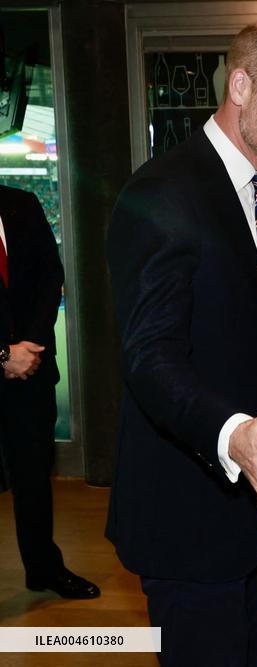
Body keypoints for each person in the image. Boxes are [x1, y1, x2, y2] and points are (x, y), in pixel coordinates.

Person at [106, 21, 257, 665]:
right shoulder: (160, 193)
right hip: (192, 519)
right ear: (240, 85)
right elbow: (149, 357)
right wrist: (235, 436)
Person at [0, 184, 99, 599]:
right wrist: (2, 354)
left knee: (34, 480)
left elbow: (50, 274)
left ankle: (43, 570)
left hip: (32, 370)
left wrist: (30, 348)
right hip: (10, 360)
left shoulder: (21, 203)